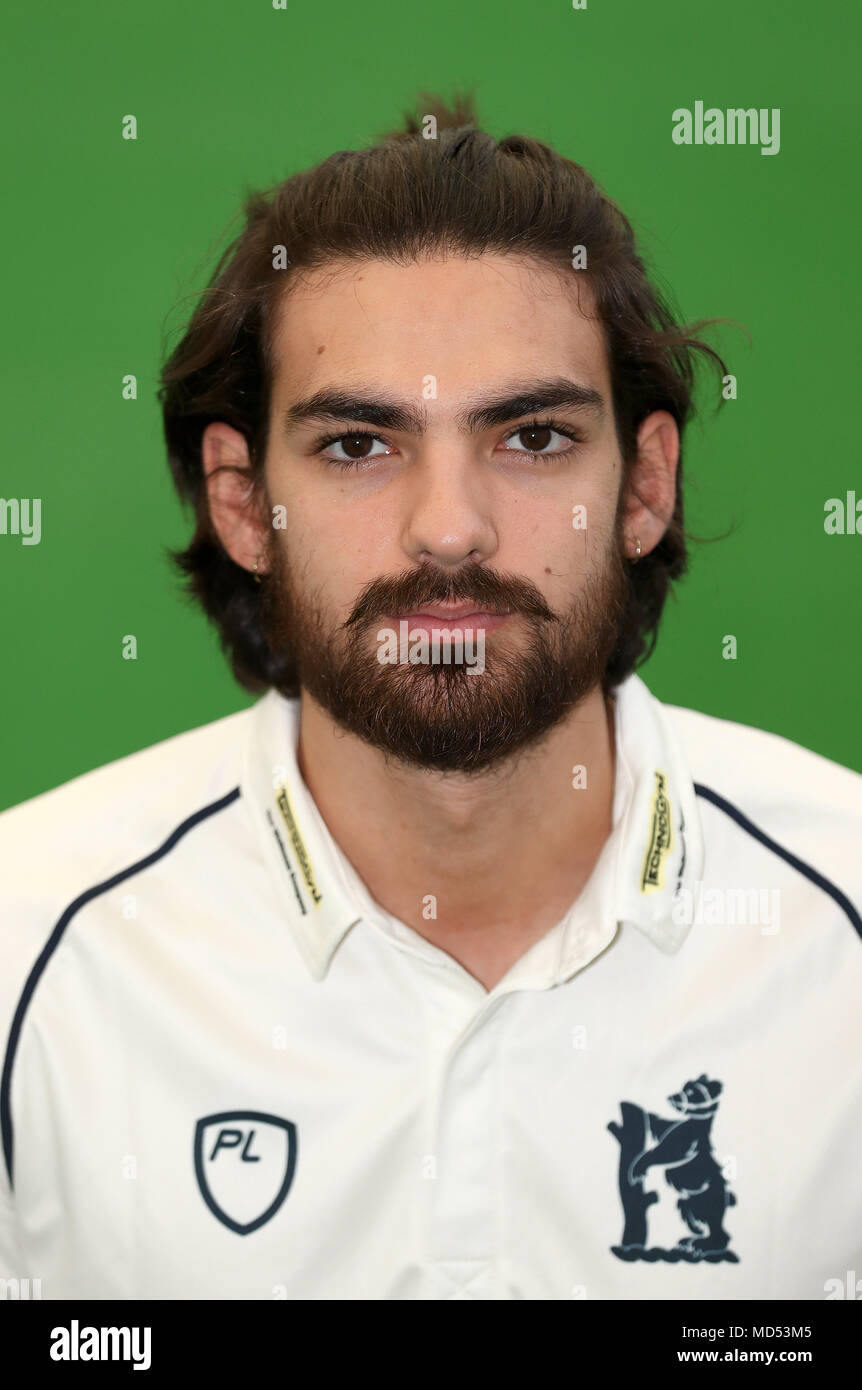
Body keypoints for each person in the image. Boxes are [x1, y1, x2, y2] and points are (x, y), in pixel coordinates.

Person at [1, 94, 860, 1301]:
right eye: (359, 445)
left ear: (644, 484)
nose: (448, 528)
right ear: (245, 506)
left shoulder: (840, 935)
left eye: (533, 437)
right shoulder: (26, 947)